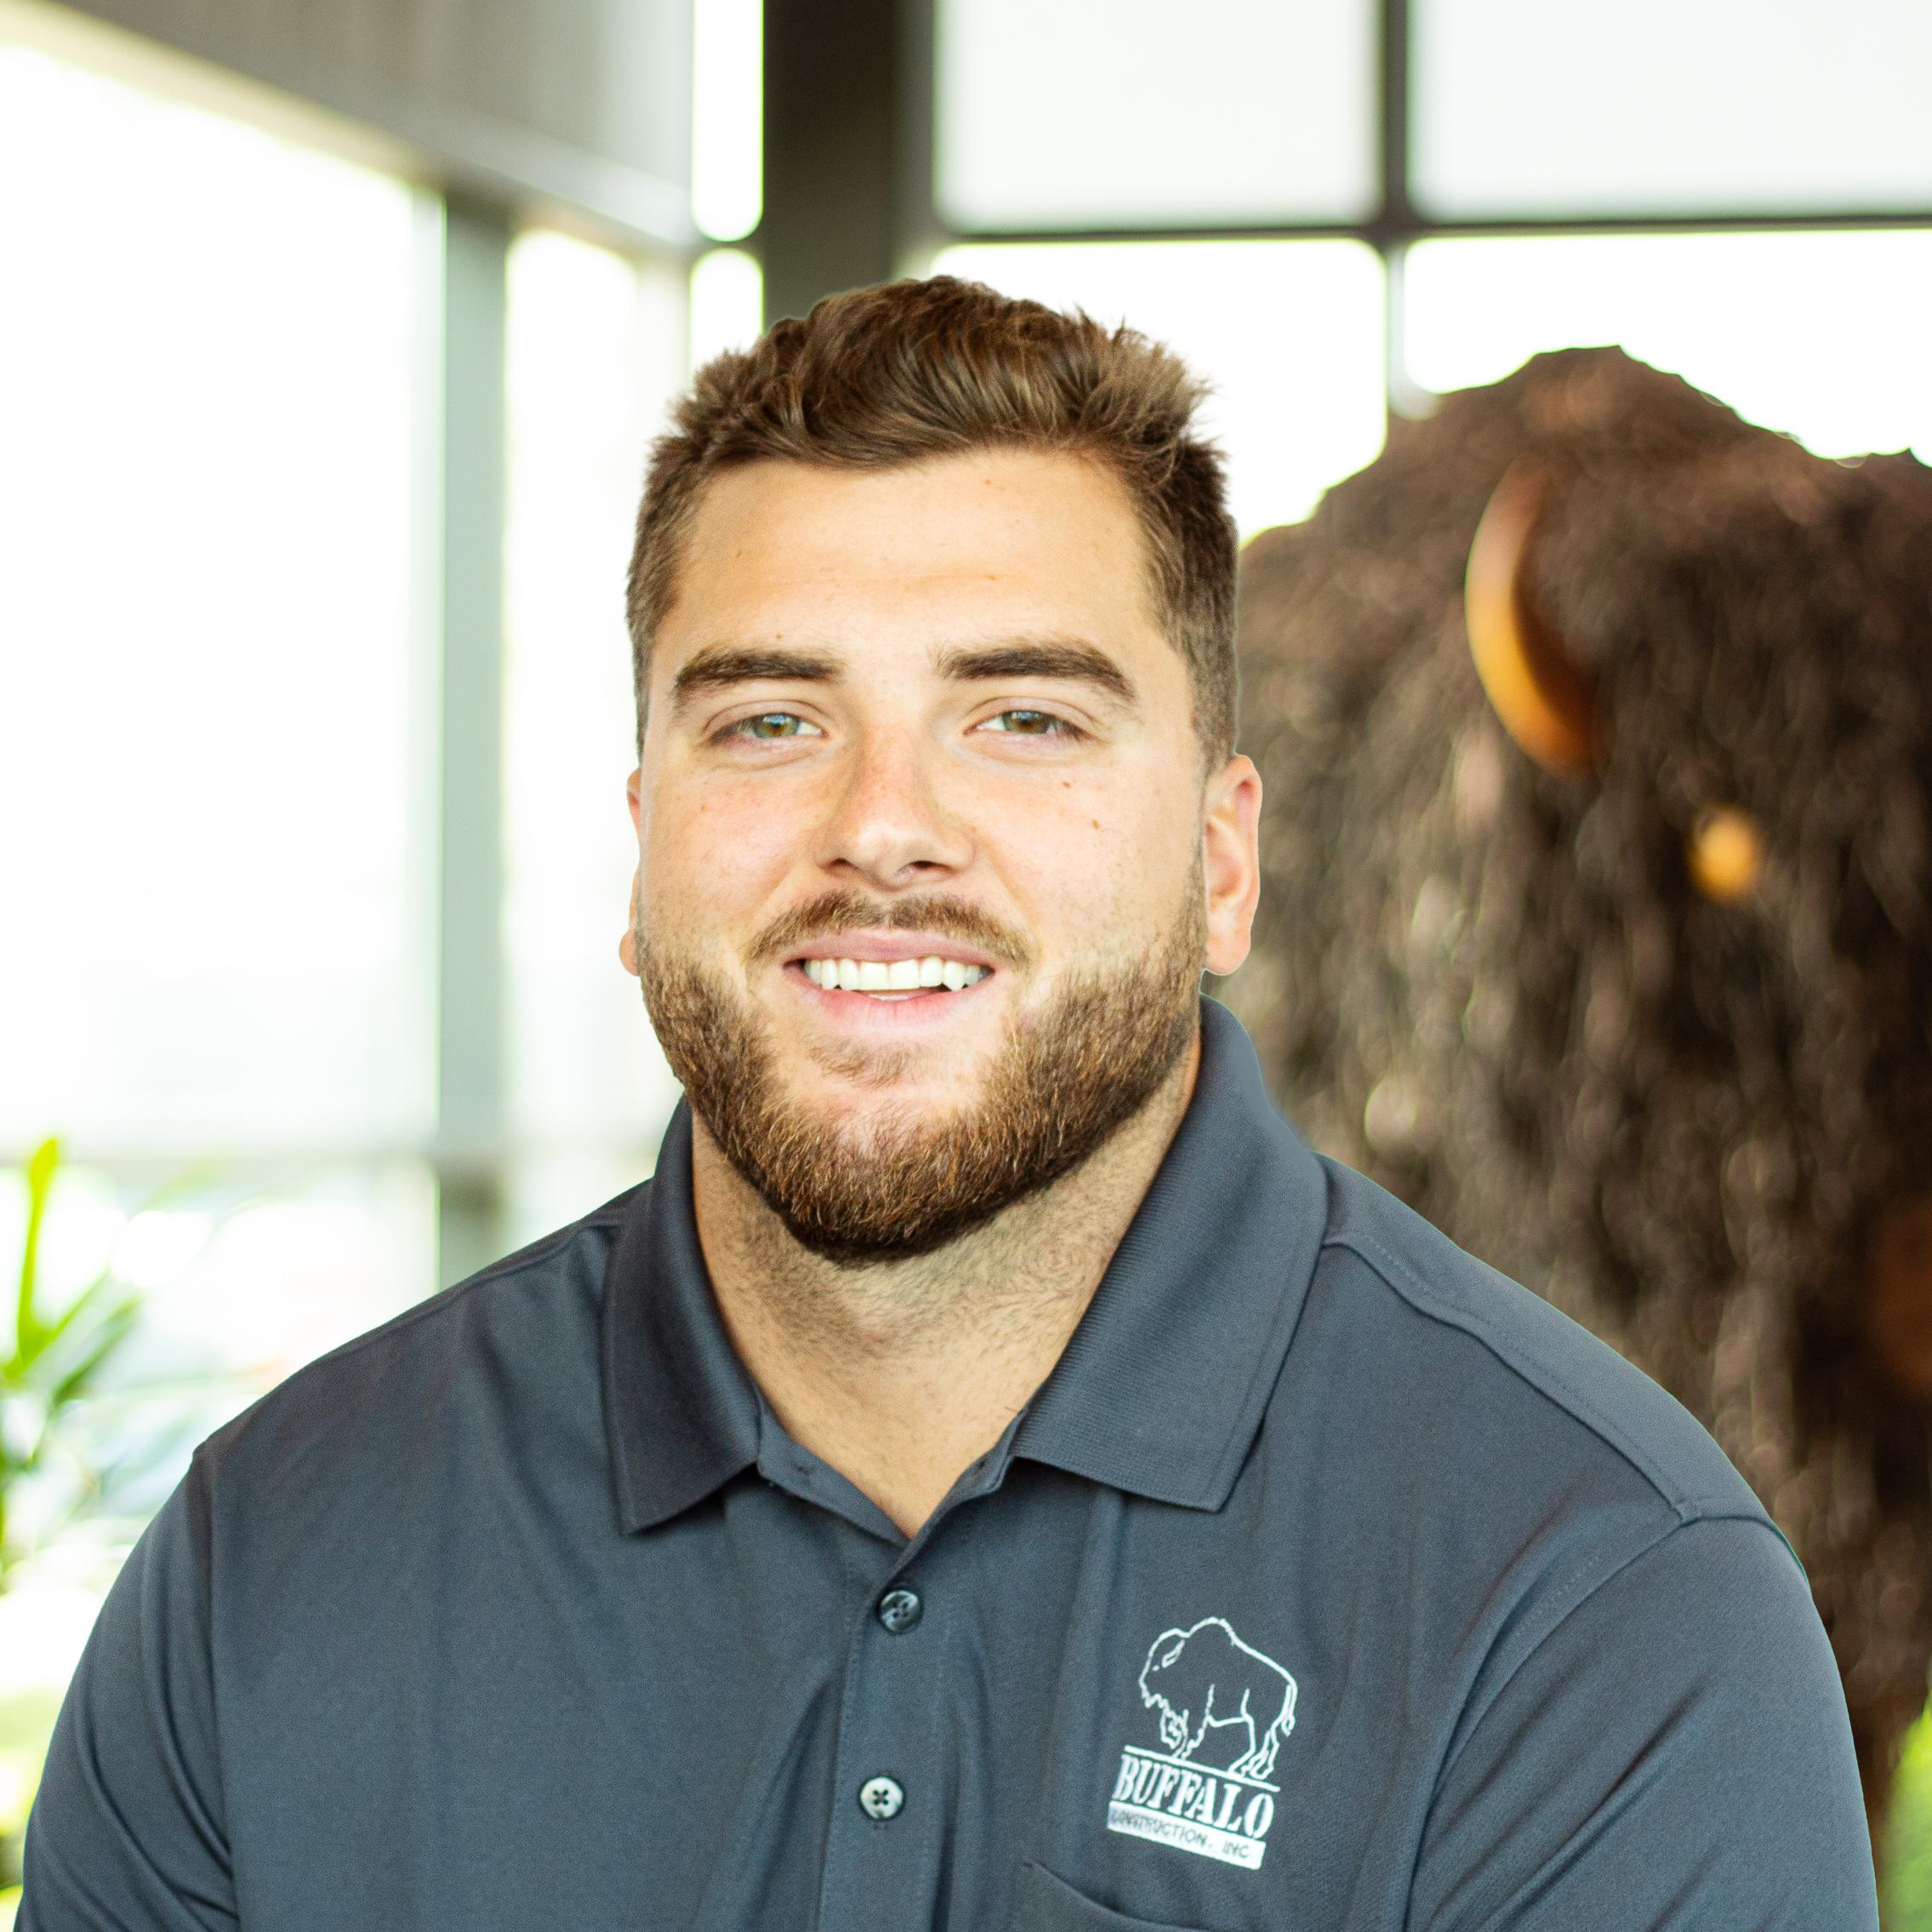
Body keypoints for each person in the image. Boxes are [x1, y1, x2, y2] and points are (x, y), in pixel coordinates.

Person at [21, 276, 1877, 1930]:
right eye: (766, 718)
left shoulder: (1598, 1605)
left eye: (1024, 717)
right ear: (645, 839)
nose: (880, 824)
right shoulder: (267, 1561)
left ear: (1223, 861)